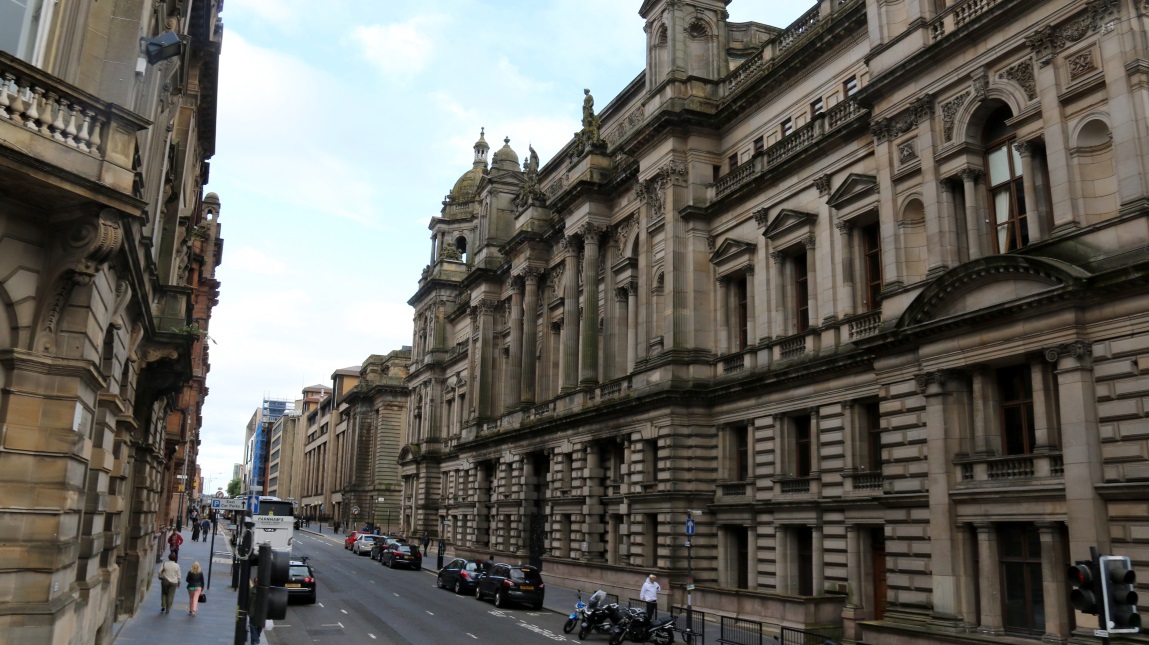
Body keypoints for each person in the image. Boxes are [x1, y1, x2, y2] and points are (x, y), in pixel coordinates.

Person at [249, 580, 264, 644]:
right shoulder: (251, 591)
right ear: (254, 583)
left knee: (259, 627)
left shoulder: (264, 592)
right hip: (253, 612)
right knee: (253, 626)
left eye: (258, 582)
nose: (257, 583)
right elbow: (248, 601)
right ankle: (255, 640)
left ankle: (255, 639)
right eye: (256, 582)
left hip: (260, 613)